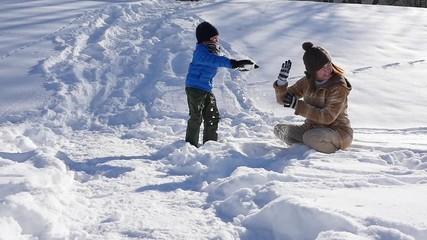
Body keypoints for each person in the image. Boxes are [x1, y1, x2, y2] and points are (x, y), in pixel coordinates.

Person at [273, 42, 352, 153]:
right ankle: (308, 148)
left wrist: (298, 105)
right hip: (312, 130)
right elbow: (283, 99)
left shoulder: (338, 86)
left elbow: (328, 117)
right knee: (280, 130)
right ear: (313, 71)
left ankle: (334, 153)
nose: (328, 70)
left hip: (337, 132)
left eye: (329, 64)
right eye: (322, 68)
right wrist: (281, 83)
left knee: (310, 138)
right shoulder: (307, 82)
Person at [185, 21, 255, 147]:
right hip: (194, 88)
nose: (217, 41)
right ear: (205, 39)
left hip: (206, 89)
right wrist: (235, 63)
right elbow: (216, 61)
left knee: (212, 116)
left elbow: (218, 60)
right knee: (196, 117)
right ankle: (189, 146)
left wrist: (242, 66)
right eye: (214, 38)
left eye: (217, 38)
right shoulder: (201, 53)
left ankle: (210, 144)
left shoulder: (211, 51)